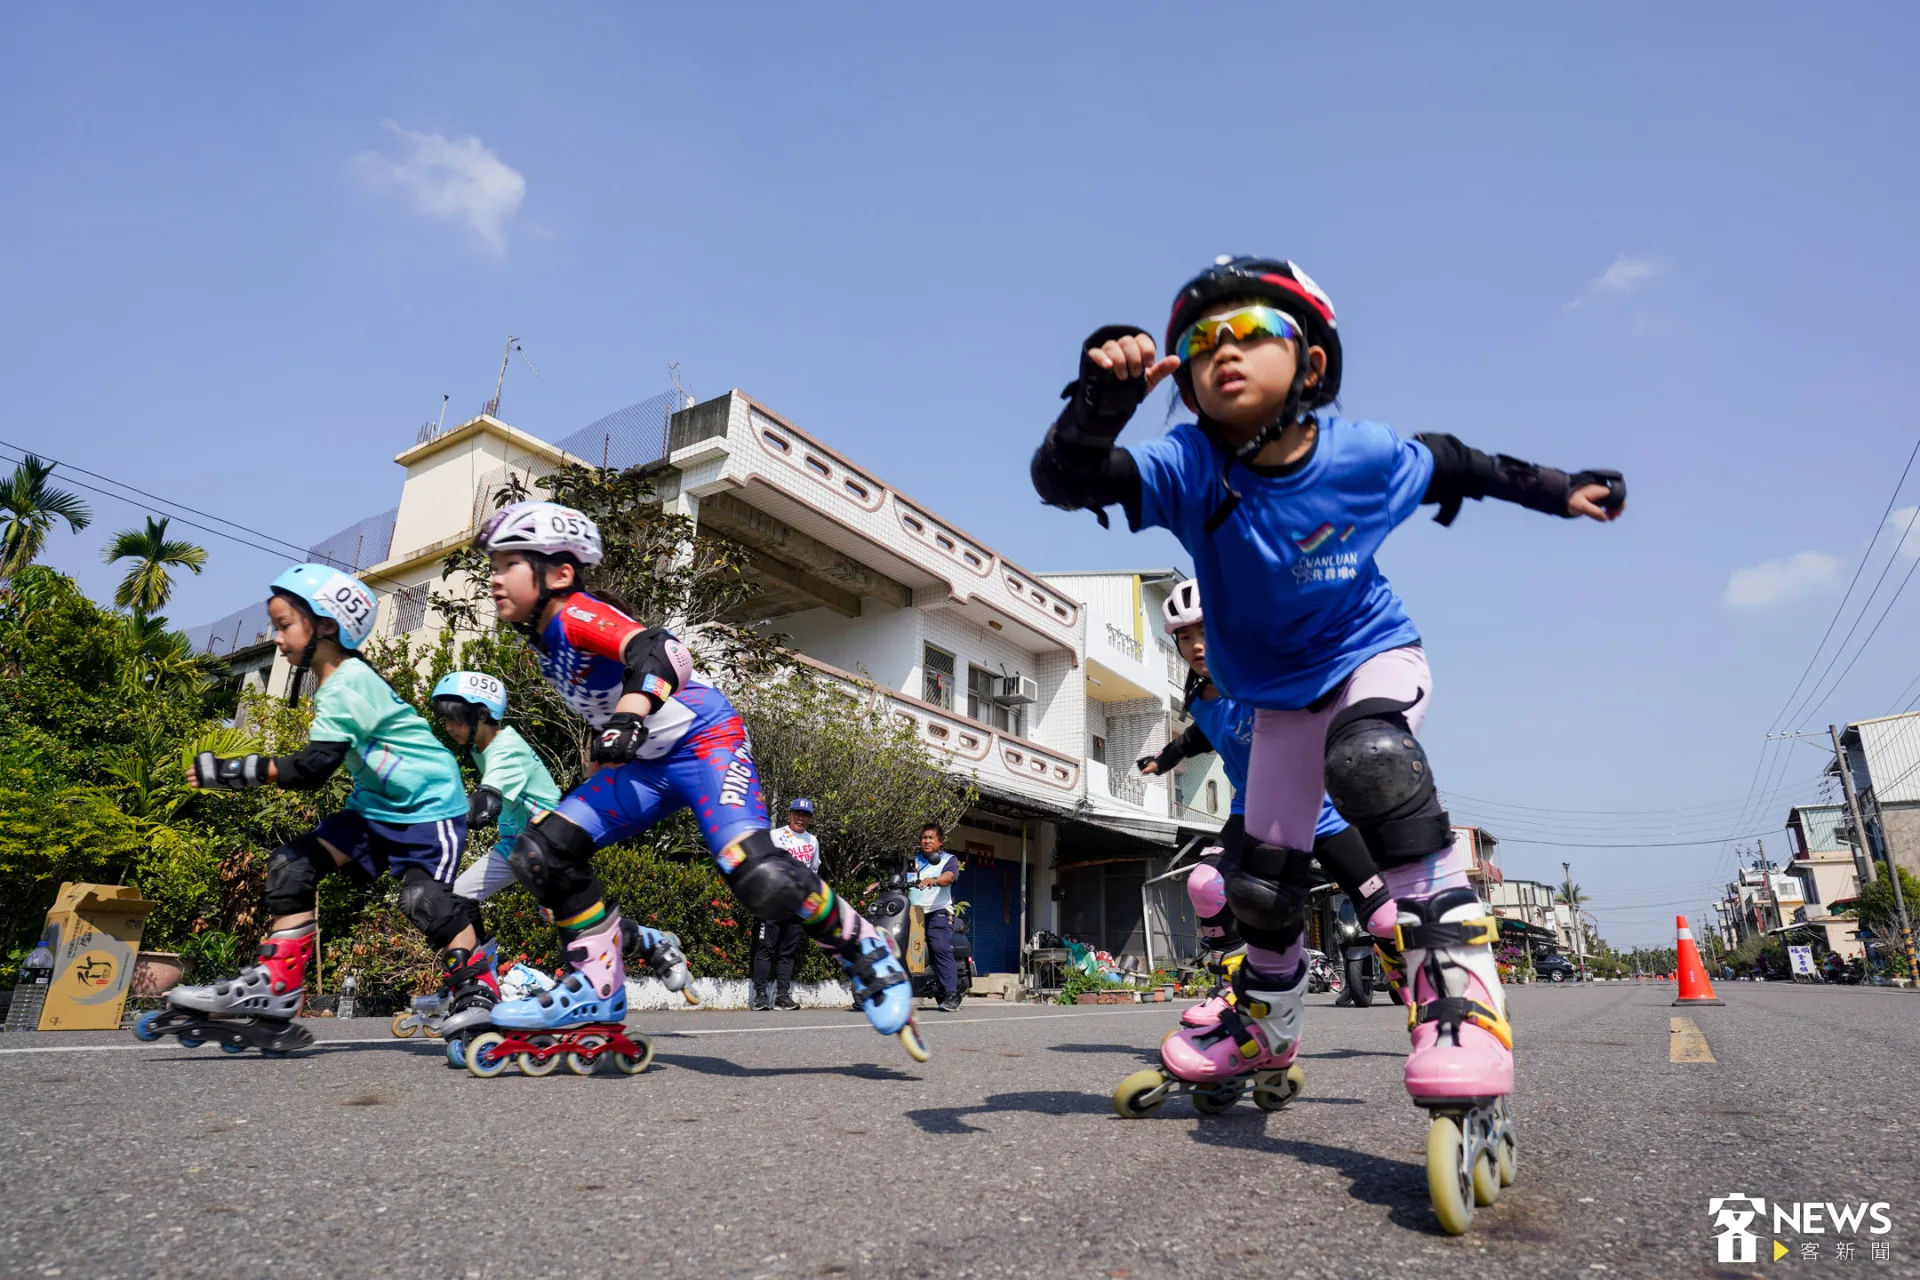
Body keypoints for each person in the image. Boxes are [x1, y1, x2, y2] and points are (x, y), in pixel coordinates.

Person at [1031, 255, 1623, 1226]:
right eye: (1200, 339)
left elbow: (1464, 462)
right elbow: (1066, 479)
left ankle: (1461, 1008)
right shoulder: (1189, 466)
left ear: (1310, 358)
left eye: (1249, 329)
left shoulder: (1361, 455)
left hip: (1371, 661)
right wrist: (1099, 401)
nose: (1222, 349)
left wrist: (1563, 489)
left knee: (1373, 762)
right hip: (1278, 702)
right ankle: (1265, 1031)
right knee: (1259, 882)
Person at [471, 500, 926, 1067]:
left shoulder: (573, 614)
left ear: (558, 573)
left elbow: (661, 651)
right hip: (645, 766)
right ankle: (596, 988)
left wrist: (628, 718)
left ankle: (864, 943)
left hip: (705, 743)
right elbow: (603, 706)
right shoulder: (542, 638)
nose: (492, 578)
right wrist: (602, 751)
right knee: (543, 851)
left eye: (506, 563)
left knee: (757, 875)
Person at [138, 565, 478, 1055]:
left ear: (325, 626)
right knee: (291, 865)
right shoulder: (334, 683)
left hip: (430, 808)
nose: (275, 638)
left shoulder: (349, 684)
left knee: (423, 900)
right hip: (374, 807)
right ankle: (277, 988)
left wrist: (232, 771)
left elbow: (313, 768)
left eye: (283, 625)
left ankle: (477, 991)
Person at [1137, 578, 1403, 1042]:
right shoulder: (1201, 699)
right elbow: (1202, 733)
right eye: (1184, 636)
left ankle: (1412, 984)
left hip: (1321, 812)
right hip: (1256, 812)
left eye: (1207, 630)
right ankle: (1234, 988)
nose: (1196, 646)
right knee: (1205, 884)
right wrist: (1166, 759)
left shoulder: (1267, 678)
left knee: (1384, 919)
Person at [425, 670, 564, 1048]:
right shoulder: (478, 748)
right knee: (458, 898)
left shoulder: (506, 748)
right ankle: (479, 985)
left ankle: (647, 946)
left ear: (482, 714)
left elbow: (487, 801)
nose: (450, 726)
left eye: (455, 717)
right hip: (514, 846)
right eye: (445, 718)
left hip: (551, 843)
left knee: (574, 921)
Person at [752, 798, 821, 1011]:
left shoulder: (813, 841)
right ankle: (760, 996)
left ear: (809, 818)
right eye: (797, 813)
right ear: (789, 814)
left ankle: (783, 996)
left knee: (788, 951)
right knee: (766, 948)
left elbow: (814, 870)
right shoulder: (775, 835)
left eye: (805, 814)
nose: (801, 818)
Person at [909, 823, 963, 1012]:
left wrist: (935, 880)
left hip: (939, 910)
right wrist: (878, 884)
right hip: (914, 912)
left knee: (939, 947)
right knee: (902, 947)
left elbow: (949, 877)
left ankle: (951, 994)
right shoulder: (913, 861)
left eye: (931, 838)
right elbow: (900, 878)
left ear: (940, 841)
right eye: (924, 837)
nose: (927, 841)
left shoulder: (948, 859)